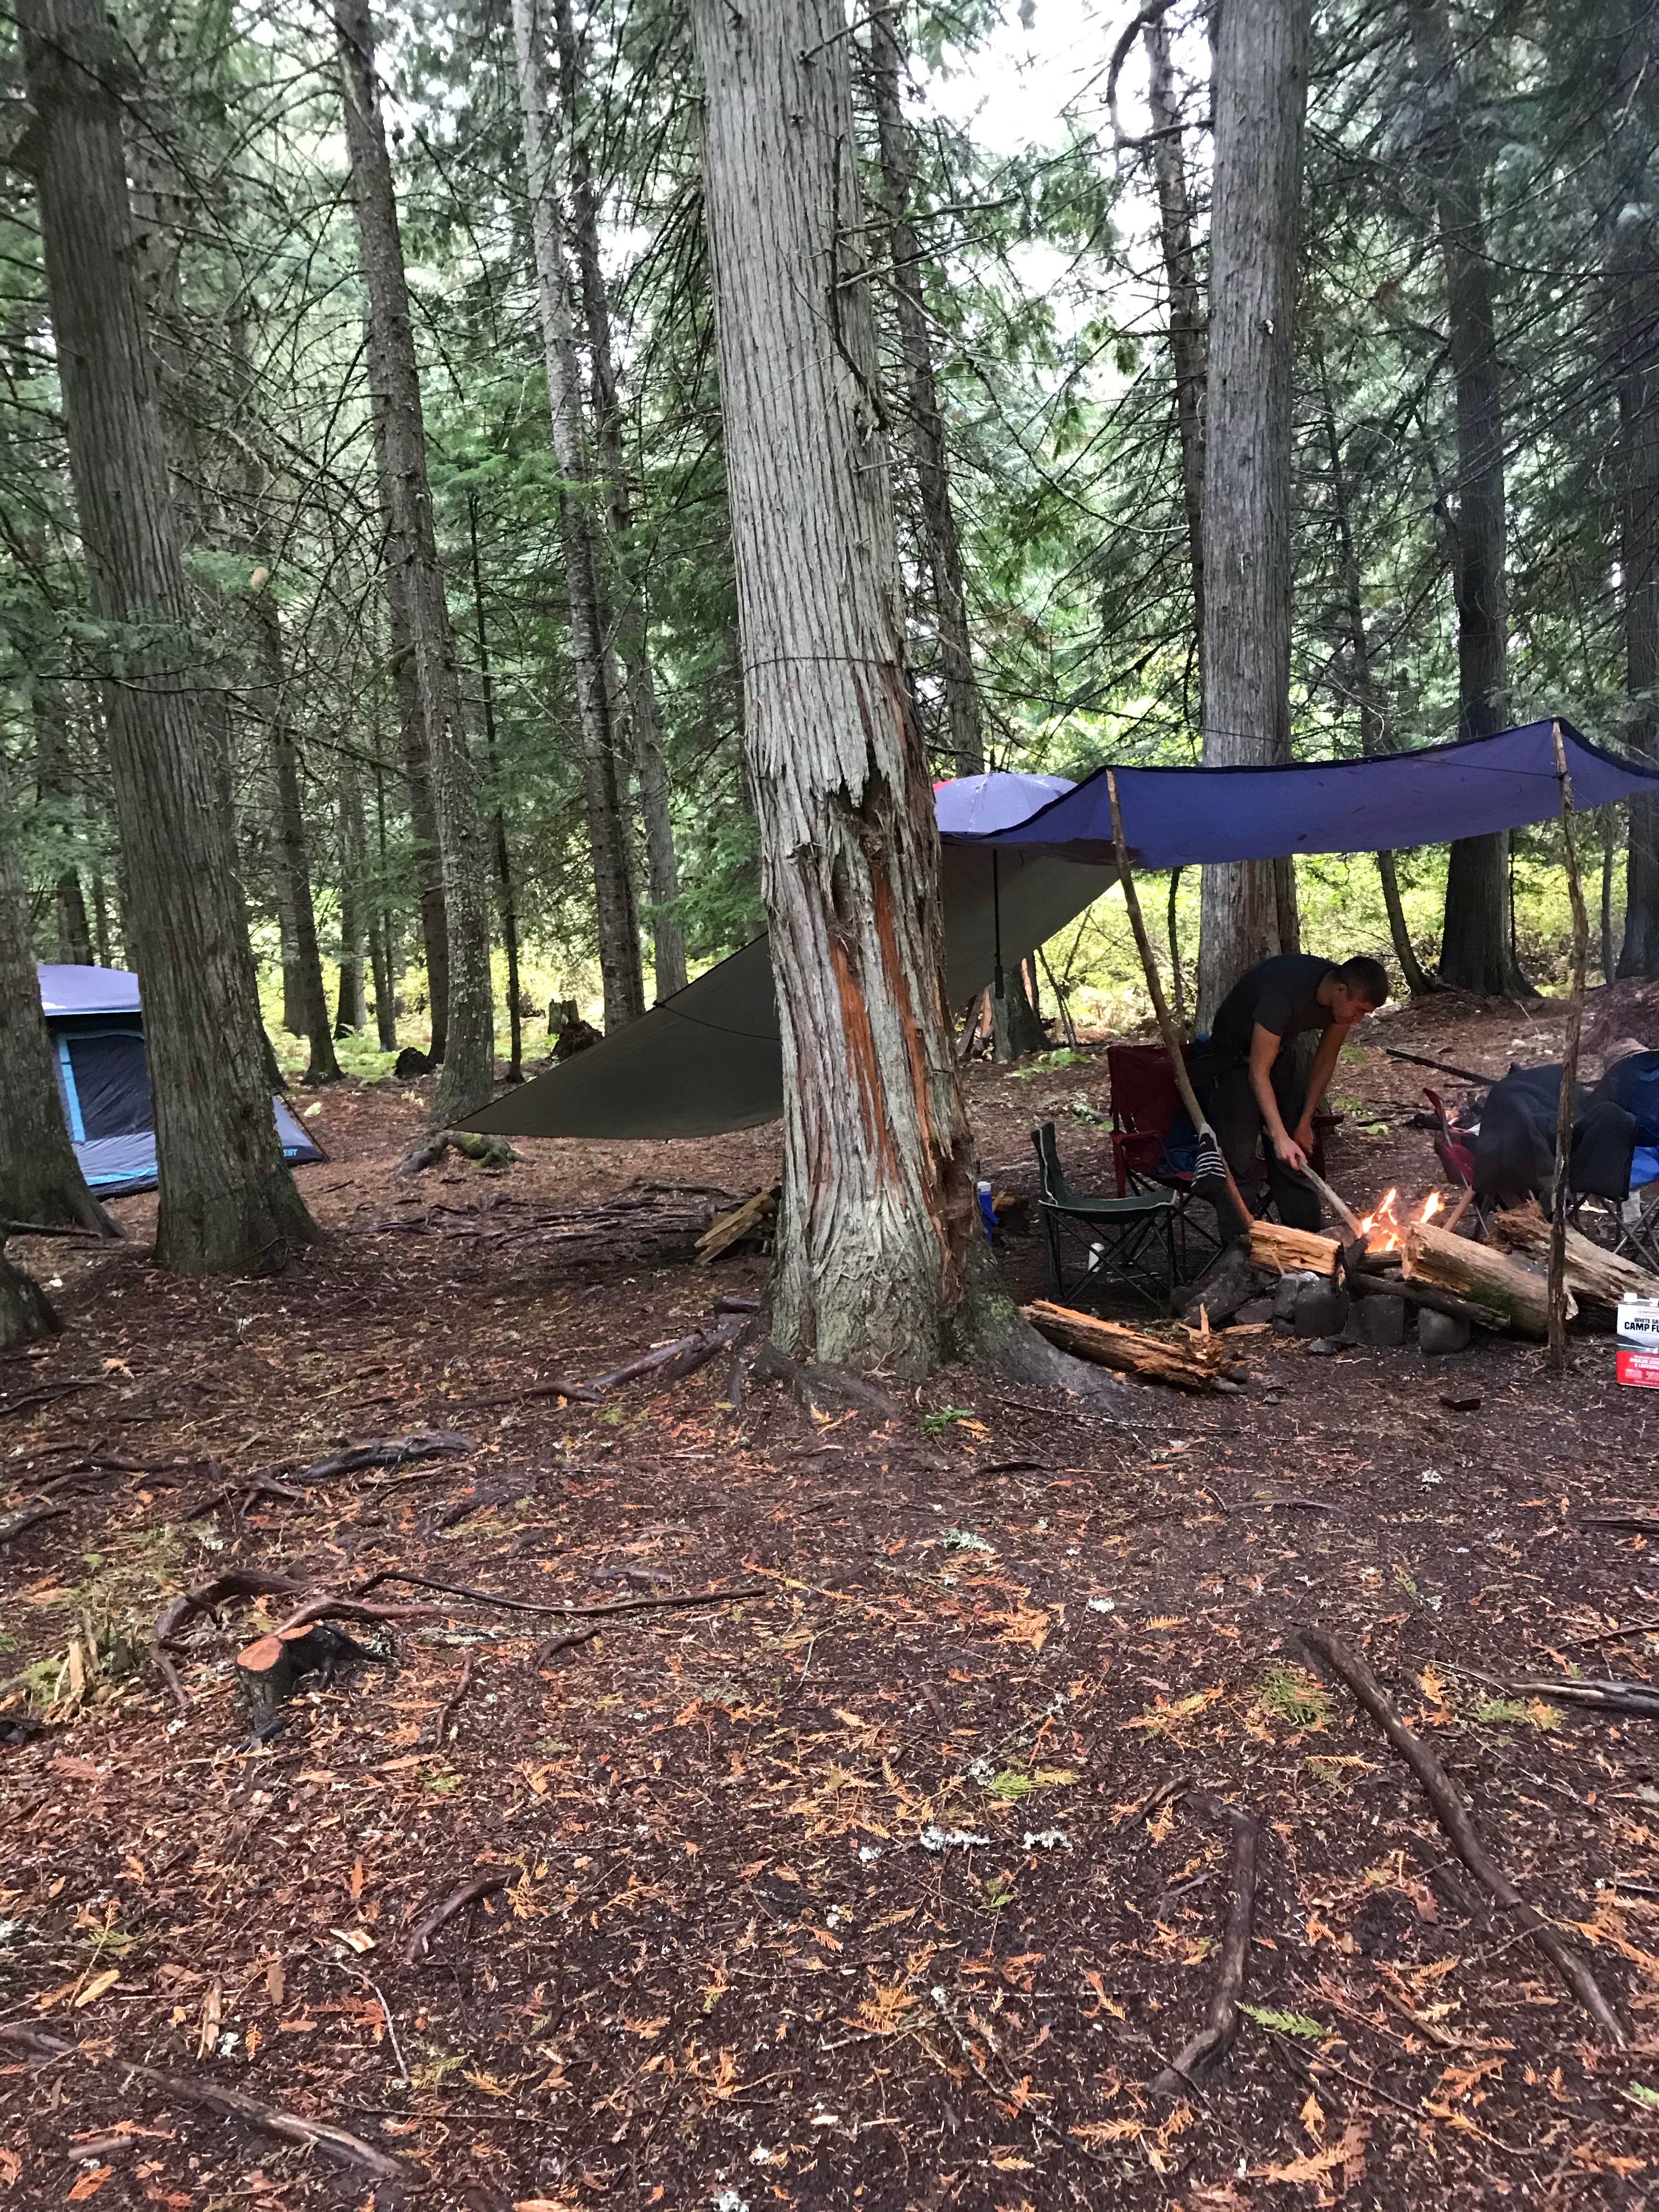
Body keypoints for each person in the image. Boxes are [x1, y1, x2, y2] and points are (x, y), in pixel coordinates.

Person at [1190, 952, 1390, 1241]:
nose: (1357, 1019)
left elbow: (1325, 1059)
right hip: (1232, 1061)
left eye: (1365, 1014)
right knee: (1241, 1157)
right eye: (1358, 1010)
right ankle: (1240, 1250)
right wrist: (1278, 1135)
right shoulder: (1284, 991)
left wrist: (1305, 1121)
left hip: (1279, 1057)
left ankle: (1311, 1243)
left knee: (1295, 1155)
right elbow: (1257, 1072)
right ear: (1341, 990)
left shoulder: (1341, 1005)